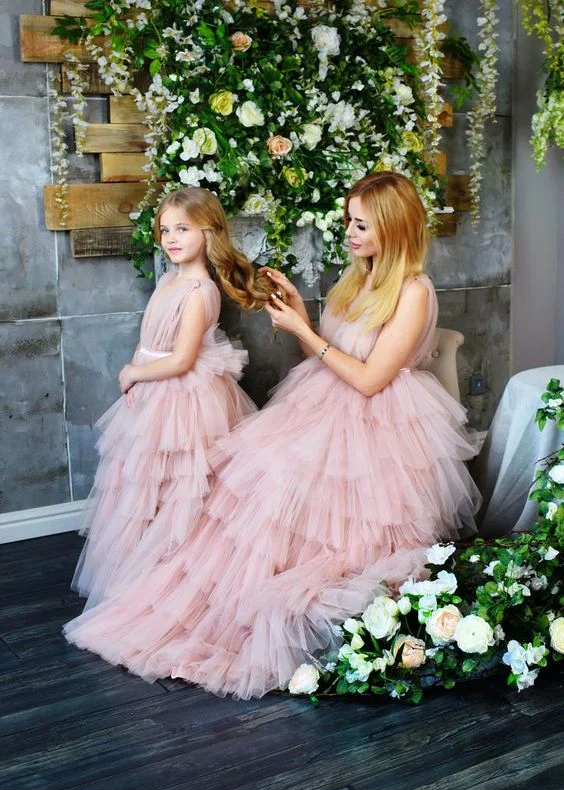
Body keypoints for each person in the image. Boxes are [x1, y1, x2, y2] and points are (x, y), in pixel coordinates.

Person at [64, 172, 481, 697]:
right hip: (325, 401)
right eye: (348, 220)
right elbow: (334, 355)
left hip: (376, 422)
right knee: (249, 493)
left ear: (394, 228)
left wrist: (304, 330)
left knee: (314, 521)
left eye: (361, 225)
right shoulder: (362, 277)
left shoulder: (414, 290)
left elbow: (372, 380)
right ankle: (207, 601)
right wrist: (303, 314)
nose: (349, 233)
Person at [70, 187, 273, 608]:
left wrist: (132, 373)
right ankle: (137, 572)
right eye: (165, 229)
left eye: (183, 228)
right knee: (144, 486)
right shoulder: (169, 279)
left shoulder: (200, 290)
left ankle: (172, 574)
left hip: (181, 399)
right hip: (152, 392)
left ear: (209, 232)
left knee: (180, 489)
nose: (172, 238)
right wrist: (137, 374)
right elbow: (150, 341)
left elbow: (181, 360)